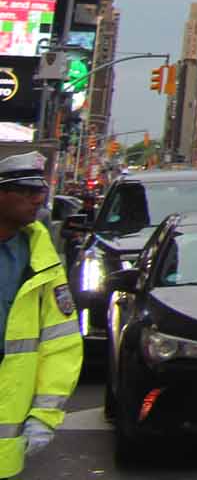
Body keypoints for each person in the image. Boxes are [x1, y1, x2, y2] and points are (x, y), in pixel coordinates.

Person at [0, 153, 79, 475]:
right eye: (27, 191)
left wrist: (44, 415)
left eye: (40, 191)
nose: (38, 199)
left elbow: (61, 342)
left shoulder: (41, 258)